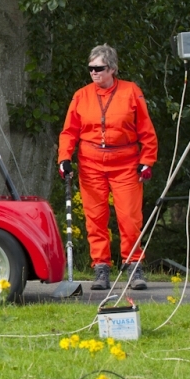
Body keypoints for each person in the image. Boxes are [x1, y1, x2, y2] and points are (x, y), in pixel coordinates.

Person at [57, 44, 158, 290]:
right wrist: (64, 158)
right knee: (95, 220)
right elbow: (69, 131)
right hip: (91, 163)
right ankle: (101, 268)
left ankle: (134, 266)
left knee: (130, 218)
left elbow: (147, 130)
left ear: (112, 68)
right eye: (91, 68)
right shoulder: (81, 95)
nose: (93, 73)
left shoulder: (131, 91)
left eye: (99, 68)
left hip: (125, 163)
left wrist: (147, 161)